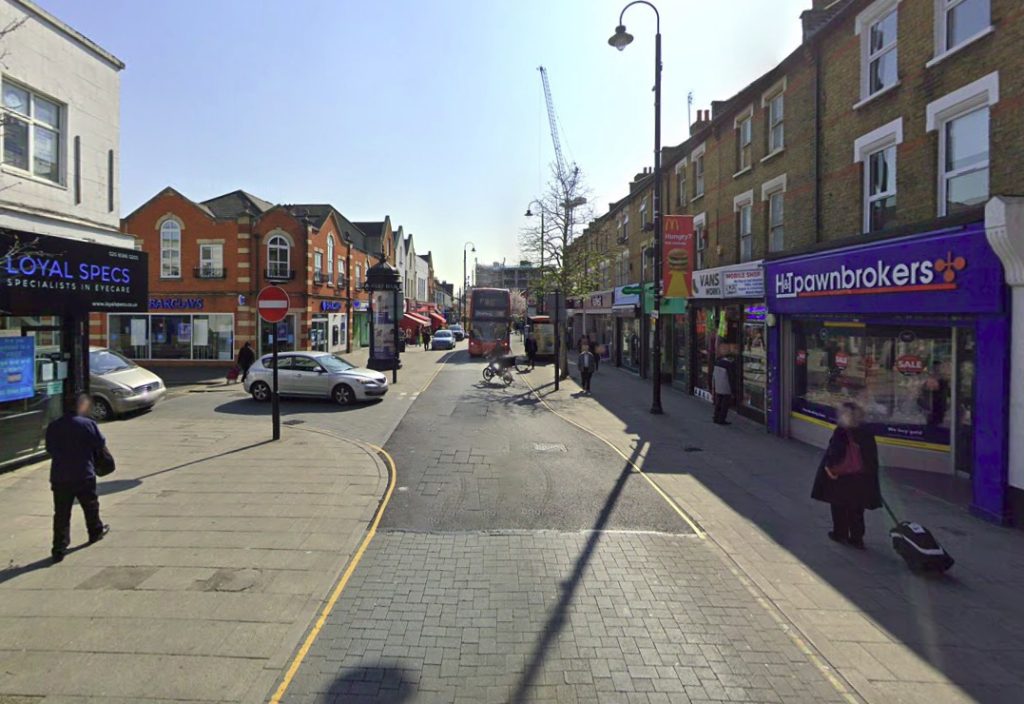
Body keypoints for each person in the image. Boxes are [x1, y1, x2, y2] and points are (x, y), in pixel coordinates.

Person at [45, 393, 110, 563]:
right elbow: (99, 444)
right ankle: (95, 532)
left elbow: (49, 448)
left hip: (60, 475)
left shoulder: (54, 426)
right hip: (83, 473)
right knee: (90, 505)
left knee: (61, 513)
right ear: (80, 406)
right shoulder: (88, 424)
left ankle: (59, 547)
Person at [811, 401, 881, 549]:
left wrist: (829, 468)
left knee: (839, 505)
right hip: (861, 477)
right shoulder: (866, 431)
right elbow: (871, 456)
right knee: (857, 508)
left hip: (842, 477)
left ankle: (840, 533)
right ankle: (857, 538)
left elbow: (835, 452)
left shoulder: (842, 431)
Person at [712, 346, 736, 425]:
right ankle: (722, 419)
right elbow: (731, 378)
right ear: (730, 358)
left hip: (718, 386)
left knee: (718, 402)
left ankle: (716, 417)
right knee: (724, 405)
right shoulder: (729, 365)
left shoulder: (717, 362)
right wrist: (733, 390)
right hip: (726, 387)